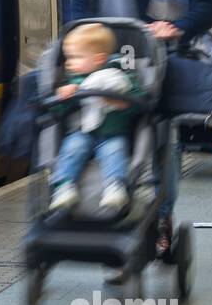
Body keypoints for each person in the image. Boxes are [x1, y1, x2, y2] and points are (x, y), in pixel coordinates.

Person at [69, 0, 212, 255]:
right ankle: (98, 198)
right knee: (105, 126)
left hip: (162, 57)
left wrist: (181, 25)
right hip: (110, 56)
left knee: (162, 140)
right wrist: (81, 29)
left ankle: (161, 215)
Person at [47, 23, 141, 214]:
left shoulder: (121, 75)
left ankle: (115, 187)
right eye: (67, 57)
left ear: (98, 59)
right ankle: (64, 186)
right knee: (72, 148)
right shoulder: (73, 81)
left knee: (114, 152)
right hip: (82, 133)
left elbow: (140, 102)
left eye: (75, 57)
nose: (68, 63)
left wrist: (121, 102)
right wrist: (62, 96)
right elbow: (58, 111)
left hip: (113, 133)